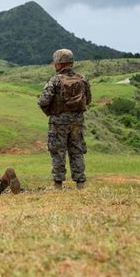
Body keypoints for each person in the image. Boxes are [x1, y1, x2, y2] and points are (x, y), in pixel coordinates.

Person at [38, 49, 92, 190]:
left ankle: (58, 185)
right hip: (77, 122)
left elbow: (43, 101)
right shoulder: (82, 79)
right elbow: (89, 99)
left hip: (58, 122)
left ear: (58, 64)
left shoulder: (55, 80)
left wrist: (50, 111)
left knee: (58, 152)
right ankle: (80, 184)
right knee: (77, 151)